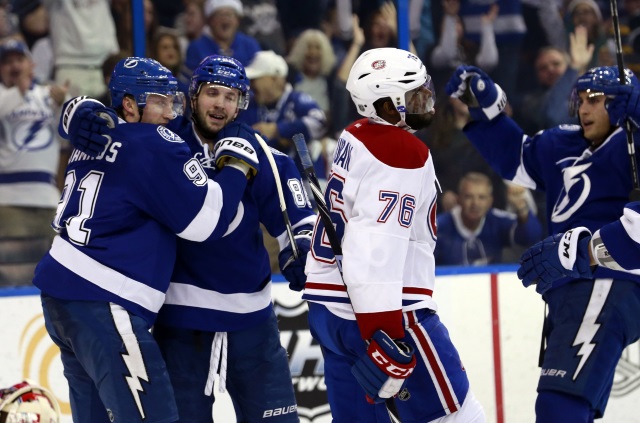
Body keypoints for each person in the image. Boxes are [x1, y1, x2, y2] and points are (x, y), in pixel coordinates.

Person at [62, 55, 315, 422]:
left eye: (231, 97)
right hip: (181, 324)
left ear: (242, 103)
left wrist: (302, 250)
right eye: (212, 93)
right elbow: (117, 125)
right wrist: (78, 111)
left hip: (253, 326)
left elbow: (296, 216)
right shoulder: (163, 138)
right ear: (193, 96)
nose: (221, 105)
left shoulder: (261, 153)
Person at [445, 64, 640, 422]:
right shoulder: (564, 141)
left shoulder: (631, 144)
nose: (583, 109)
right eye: (579, 99)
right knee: (571, 405)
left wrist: (585, 251)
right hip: (570, 288)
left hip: (609, 285)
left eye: (594, 100)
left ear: (620, 104)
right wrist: (485, 108)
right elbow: (515, 158)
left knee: (558, 406)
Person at [302, 47, 485, 422]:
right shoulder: (401, 149)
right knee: (459, 417)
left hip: (329, 309)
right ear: (386, 105)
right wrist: (384, 333)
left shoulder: (355, 135)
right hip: (390, 313)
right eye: (415, 95)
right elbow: (374, 247)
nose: (427, 101)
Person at [0, 39, 68, 286]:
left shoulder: (49, 95)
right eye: (7, 62)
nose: (13, 66)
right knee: (11, 275)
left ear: (32, 64)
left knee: (53, 271)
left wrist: (63, 103)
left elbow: (68, 134)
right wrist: (19, 89)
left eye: (19, 60)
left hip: (46, 198)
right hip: (7, 201)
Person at [237, 50, 329, 181]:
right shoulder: (250, 105)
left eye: (256, 79)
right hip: (262, 180)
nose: (251, 85)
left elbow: (319, 122)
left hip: (301, 179)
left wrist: (277, 130)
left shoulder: (297, 101)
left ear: (275, 79)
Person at [435, 172, 542, 265]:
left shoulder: (497, 220)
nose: (475, 204)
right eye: (468, 197)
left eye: (482, 197)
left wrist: (521, 207)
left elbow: (531, 237)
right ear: (459, 199)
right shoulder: (438, 226)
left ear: (490, 201)